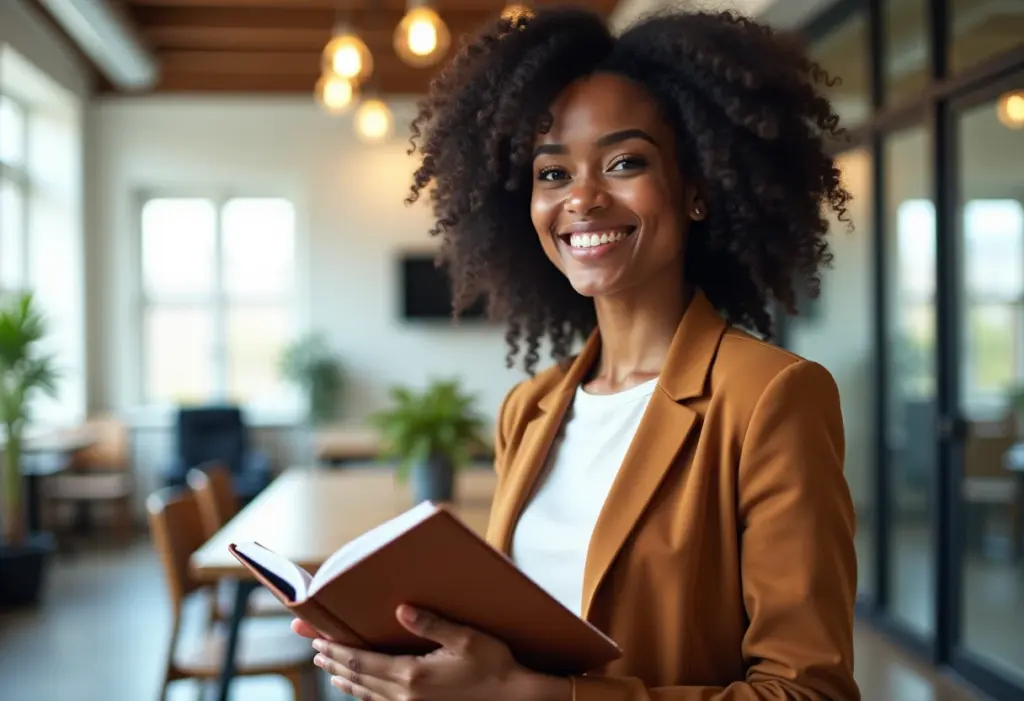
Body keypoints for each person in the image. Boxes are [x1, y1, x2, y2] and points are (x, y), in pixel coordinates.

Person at [293, 6, 860, 700]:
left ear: (697, 190)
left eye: (624, 163)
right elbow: (515, 653)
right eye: (553, 173)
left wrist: (531, 697)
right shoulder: (529, 410)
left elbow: (809, 693)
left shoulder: (771, 396)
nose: (583, 199)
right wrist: (415, 660)